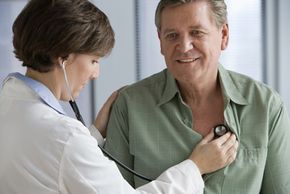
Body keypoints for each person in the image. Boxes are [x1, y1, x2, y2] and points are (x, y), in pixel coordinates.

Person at [0, 0, 239, 194]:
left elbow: (56, 164)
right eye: (93, 60)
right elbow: (64, 151)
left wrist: (92, 135)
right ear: (63, 58)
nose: (96, 73)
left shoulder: (11, 104)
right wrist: (196, 167)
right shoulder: (65, 138)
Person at [104, 0, 290, 193]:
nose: (184, 47)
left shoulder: (266, 106)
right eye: (172, 35)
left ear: (224, 35)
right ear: (160, 41)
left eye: (196, 32)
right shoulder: (129, 106)